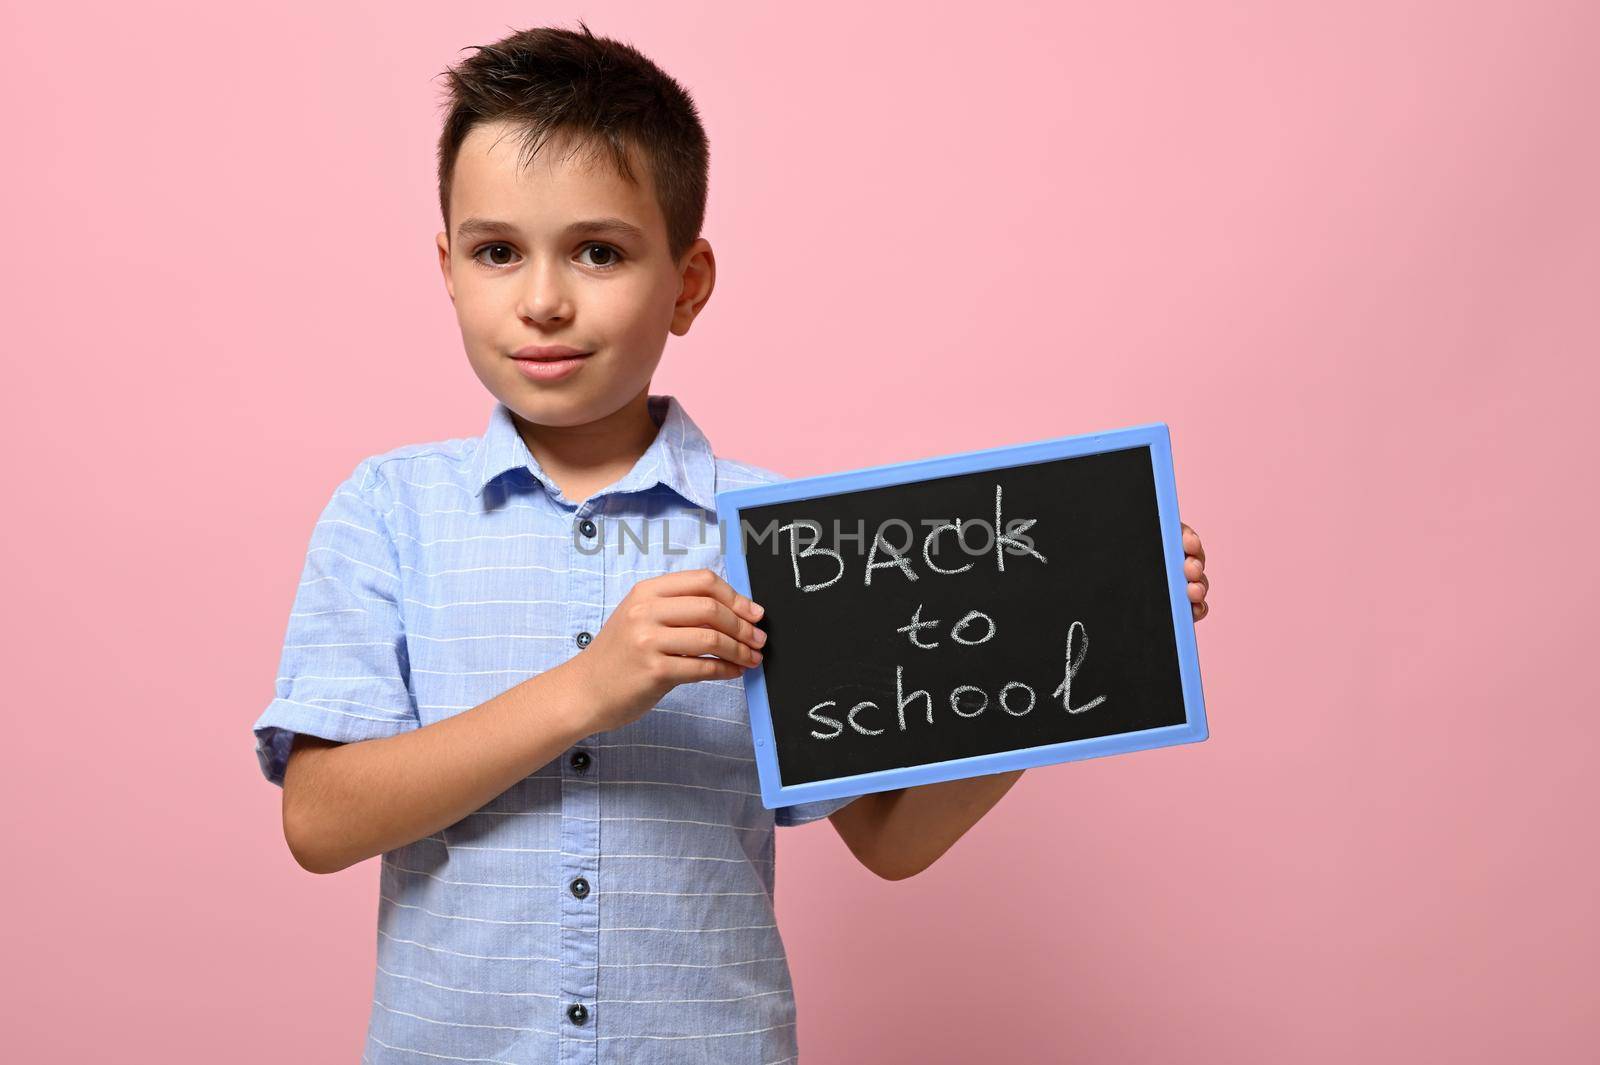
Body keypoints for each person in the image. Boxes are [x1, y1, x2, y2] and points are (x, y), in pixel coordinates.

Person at [252, 21, 1213, 1064]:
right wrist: (588, 687)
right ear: (447, 268)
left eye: (599, 251)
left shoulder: (783, 541)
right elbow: (321, 819)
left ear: (688, 282)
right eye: (496, 252)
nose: (541, 299)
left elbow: (890, 840)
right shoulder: (388, 511)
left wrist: (1083, 644)